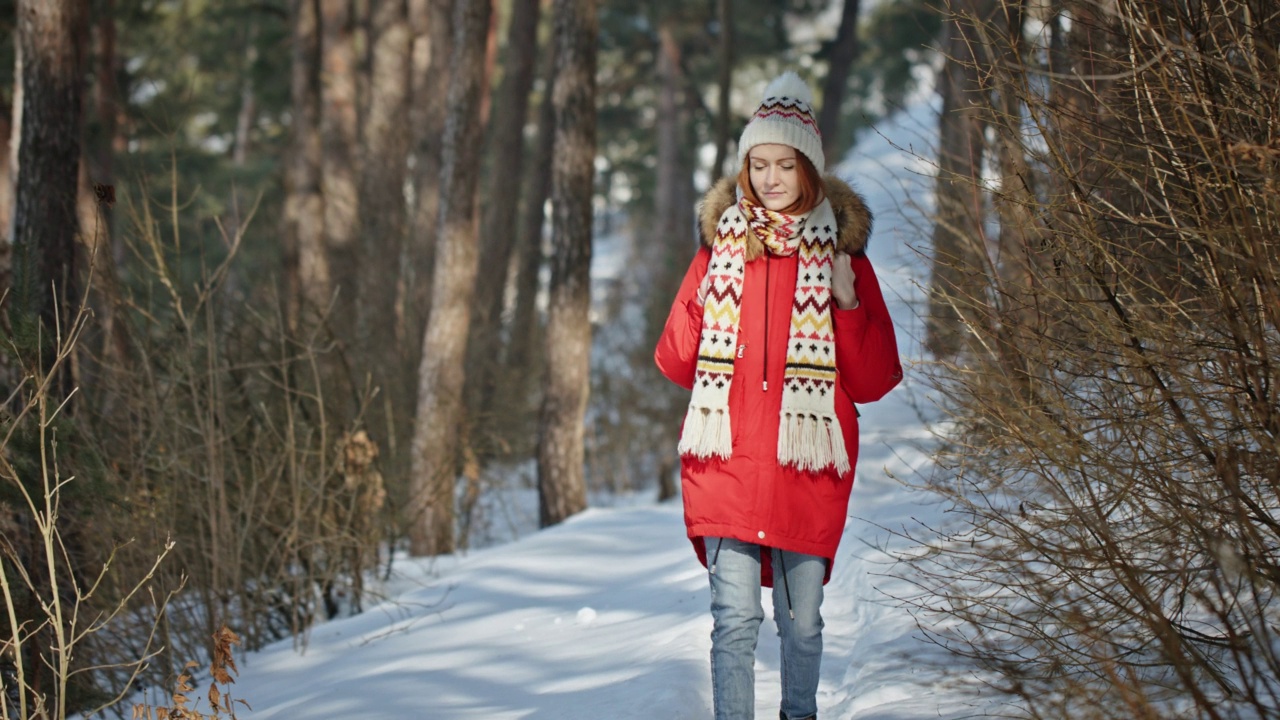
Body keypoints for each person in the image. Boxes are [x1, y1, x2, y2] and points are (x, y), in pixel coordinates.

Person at [653, 71, 903, 720]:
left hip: (805, 470)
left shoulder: (845, 260)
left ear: (808, 171)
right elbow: (675, 362)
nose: (768, 179)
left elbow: (875, 381)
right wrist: (700, 309)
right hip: (727, 466)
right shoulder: (718, 253)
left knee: (804, 627)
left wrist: (846, 305)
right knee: (733, 622)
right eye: (756, 164)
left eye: (782, 165)